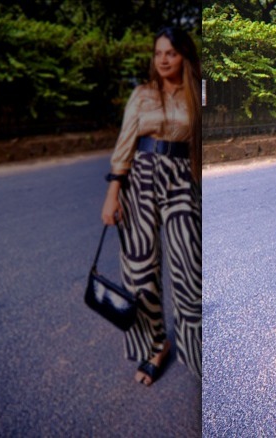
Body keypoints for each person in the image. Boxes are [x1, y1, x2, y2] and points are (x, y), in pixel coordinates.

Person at [100, 27, 202, 386]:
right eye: (158, 53)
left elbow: (200, 145)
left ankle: (194, 350)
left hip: (181, 180)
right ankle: (156, 345)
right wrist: (113, 192)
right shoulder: (142, 94)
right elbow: (126, 142)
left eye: (170, 53)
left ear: (184, 57)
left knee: (189, 270)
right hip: (139, 179)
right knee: (140, 270)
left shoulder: (196, 95)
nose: (162, 60)